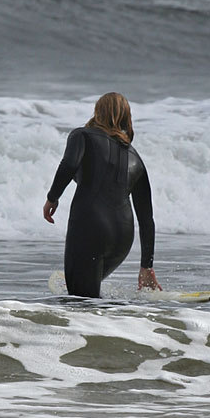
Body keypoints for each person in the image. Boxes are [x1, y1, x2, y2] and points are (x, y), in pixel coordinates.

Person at [43, 92, 161, 297]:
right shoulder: (136, 158)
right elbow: (146, 218)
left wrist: (52, 197)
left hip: (90, 226)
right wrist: (146, 267)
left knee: (80, 301)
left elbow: (69, 165)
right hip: (122, 238)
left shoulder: (82, 136)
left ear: (98, 113)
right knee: (89, 293)